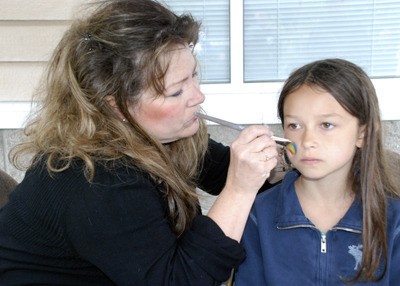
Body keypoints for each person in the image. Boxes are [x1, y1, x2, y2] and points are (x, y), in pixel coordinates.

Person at [0, 0, 279, 285]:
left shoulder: (162, 133)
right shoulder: (98, 181)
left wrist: (288, 164)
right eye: (176, 91)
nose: (198, 97)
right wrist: (239, 190)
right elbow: (182, 280)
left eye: (193, 75)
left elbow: (225, 169)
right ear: (117, 107)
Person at [235, 59, 400, 285]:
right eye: (295, 126)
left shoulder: (394, 218)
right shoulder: (257, 215)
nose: (308, 141)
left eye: (326, 125)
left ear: (363, 133)